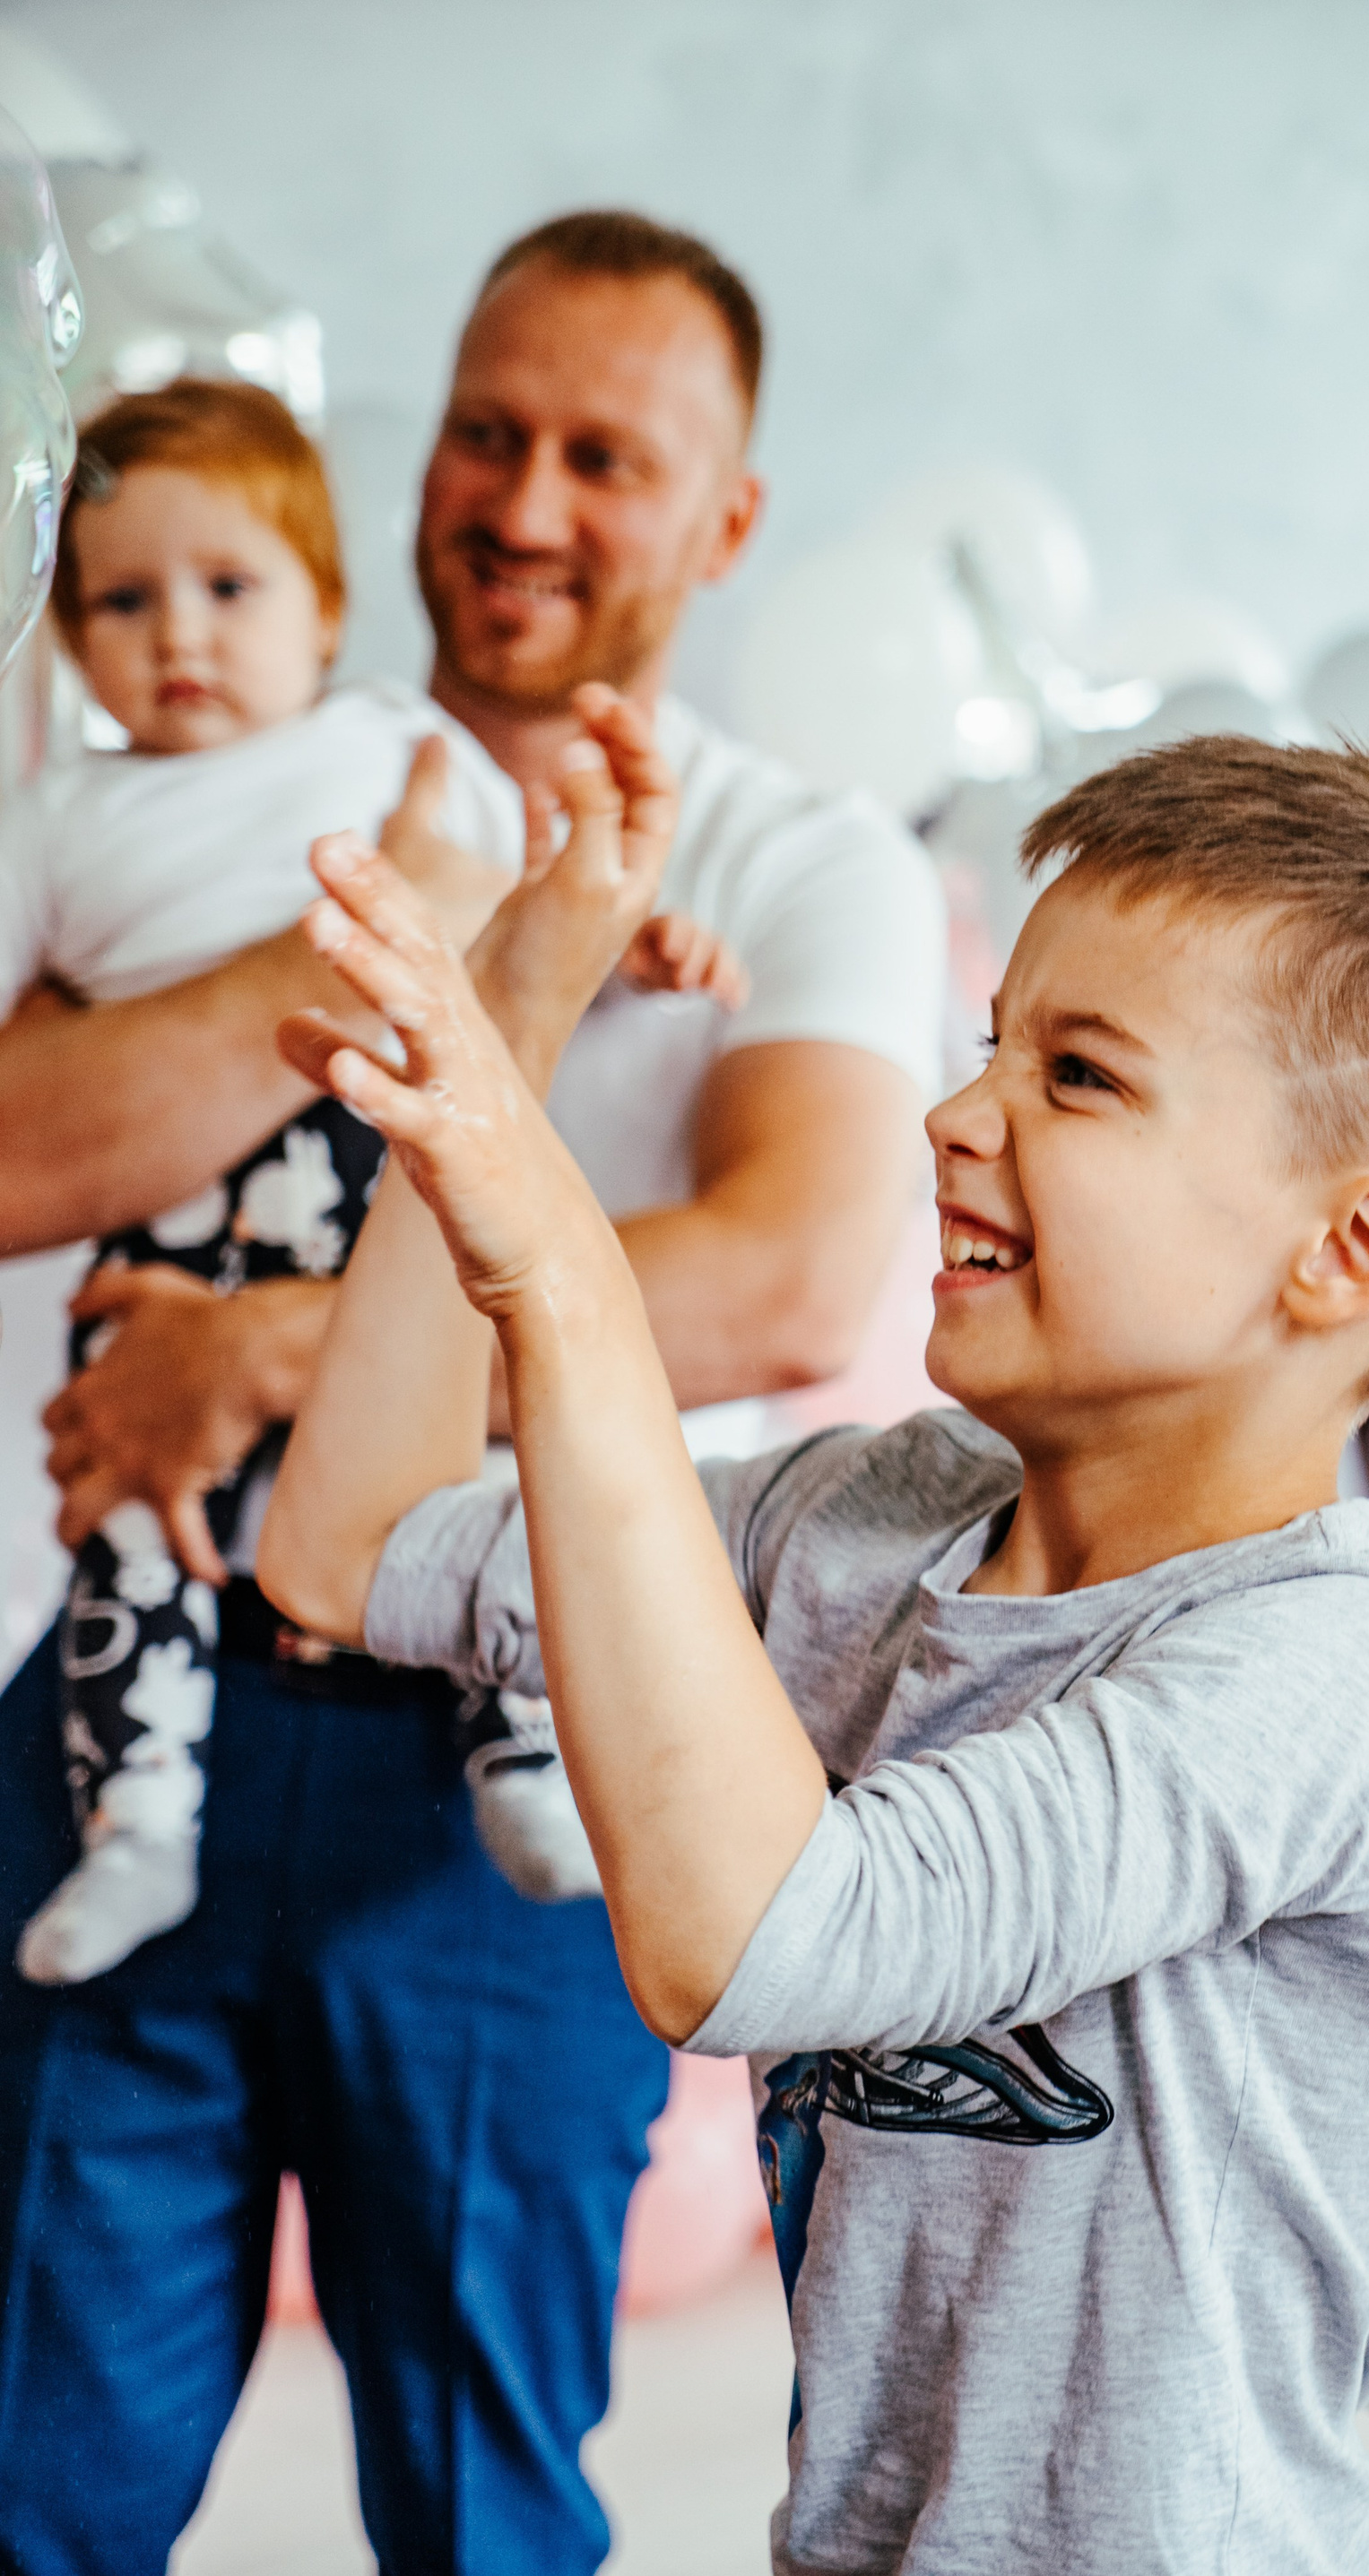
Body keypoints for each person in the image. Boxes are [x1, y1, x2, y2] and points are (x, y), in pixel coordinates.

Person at [259, 732, 1369, 2573]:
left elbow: (763, 1939)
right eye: (991, 1042)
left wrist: (568, 1281)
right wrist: (497, 1028)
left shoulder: (1358, 1663)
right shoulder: (877, 1513)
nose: (955, 1113)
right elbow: (347, 1545)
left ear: (1349, 1250)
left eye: (1079, 1073)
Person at [0, 214, 944, 2575]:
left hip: (523, 1749)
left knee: (479, 2503)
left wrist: (271, 1355)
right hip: (140, 1709)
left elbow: (796, 1273)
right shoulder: (225, 779)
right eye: (487, 434)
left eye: (604, 460)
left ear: (726, 520)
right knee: (38, 2473)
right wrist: (417, 907)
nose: (524, 506)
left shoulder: (791, 856)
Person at [4, 375, 747, 1985]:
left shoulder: (392, 748)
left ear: (327, 610)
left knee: (453, 1473)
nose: (179, 634)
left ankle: (522, 1750)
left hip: (379, 1178)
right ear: (65, 633)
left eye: (229, 587)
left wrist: (643, 947)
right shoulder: (56, 819)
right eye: (122, 601)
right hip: (172, 1235)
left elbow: (526, 908)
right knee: (135, 1499)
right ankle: (136, 1817)